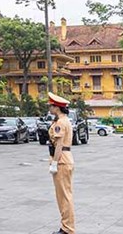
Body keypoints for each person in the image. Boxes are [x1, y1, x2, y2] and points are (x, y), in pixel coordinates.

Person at [47, 92, 75, 234]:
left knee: (64, 196)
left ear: (57, 107)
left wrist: (54, 163)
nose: (49, 108)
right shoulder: (63, 120)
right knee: (64, 195)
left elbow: (58, 145)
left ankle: (67, 229)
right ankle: (66, 226)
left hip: (62, 159)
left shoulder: (61, 123)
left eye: (51, 106)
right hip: (64, 158)